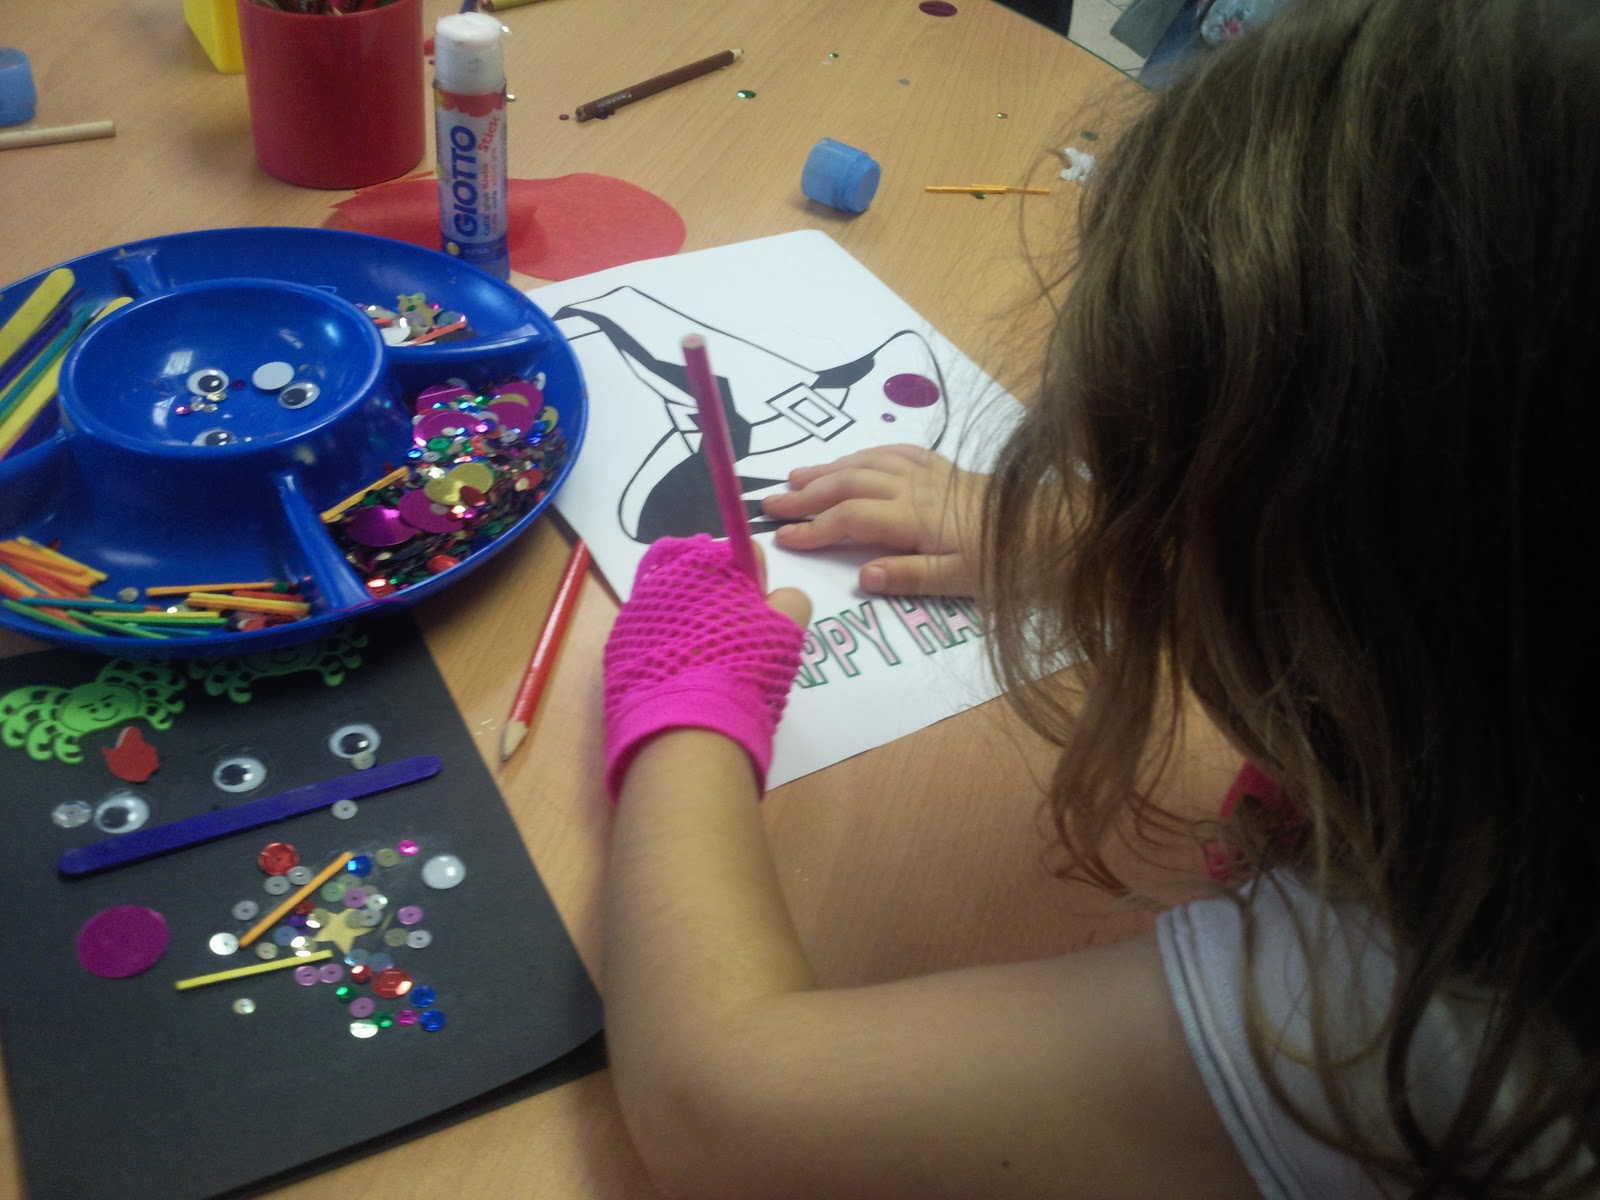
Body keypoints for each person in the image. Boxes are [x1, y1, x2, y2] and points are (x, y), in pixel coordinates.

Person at [596, 0, 1600, 1195]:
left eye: (1153, 498)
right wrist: (1093, 540)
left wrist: (684, 700)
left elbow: (719, 1106)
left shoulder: (1421, 1029)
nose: (1119, 518)